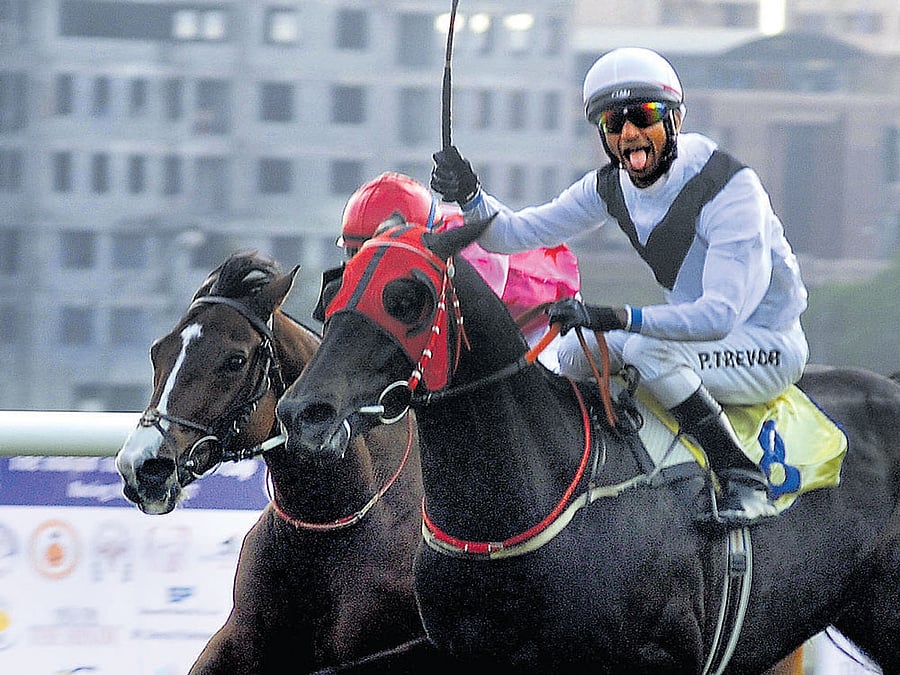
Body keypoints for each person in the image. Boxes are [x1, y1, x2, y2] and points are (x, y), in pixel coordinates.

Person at [430, 47, 809, 527]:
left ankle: (743, 478)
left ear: (675, 119)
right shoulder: (610, 186)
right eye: (613, 123)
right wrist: (470, 195)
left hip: (766, 346)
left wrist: (614, 317)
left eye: (643, 116)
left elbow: (719, 317)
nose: (629, 134)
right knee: (571, 353)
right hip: (697, 342)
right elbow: (512, 235)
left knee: (647, 351)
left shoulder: (730, 189)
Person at [316, 171, 580, 371]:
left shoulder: (476, 256)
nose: (364, 266)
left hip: (541, 321)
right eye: (355, 254)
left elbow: (471, 339)